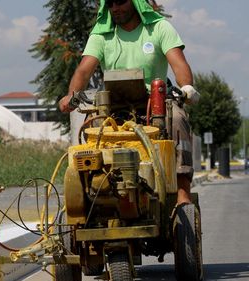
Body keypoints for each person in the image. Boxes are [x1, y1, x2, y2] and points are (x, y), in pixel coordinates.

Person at [58, 0, 199, 206]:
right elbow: (84, 70)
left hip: (155, 103)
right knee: (91, 125)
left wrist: (186, 87)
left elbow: (180, 65)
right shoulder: (102, 34)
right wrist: (71, 95)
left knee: (177, 120)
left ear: (136, 2)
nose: (115, 8)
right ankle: (93, 193)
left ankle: (182, 193)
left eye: (121, 2)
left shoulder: (159, 27)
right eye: (111, 3)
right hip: (113, 105)